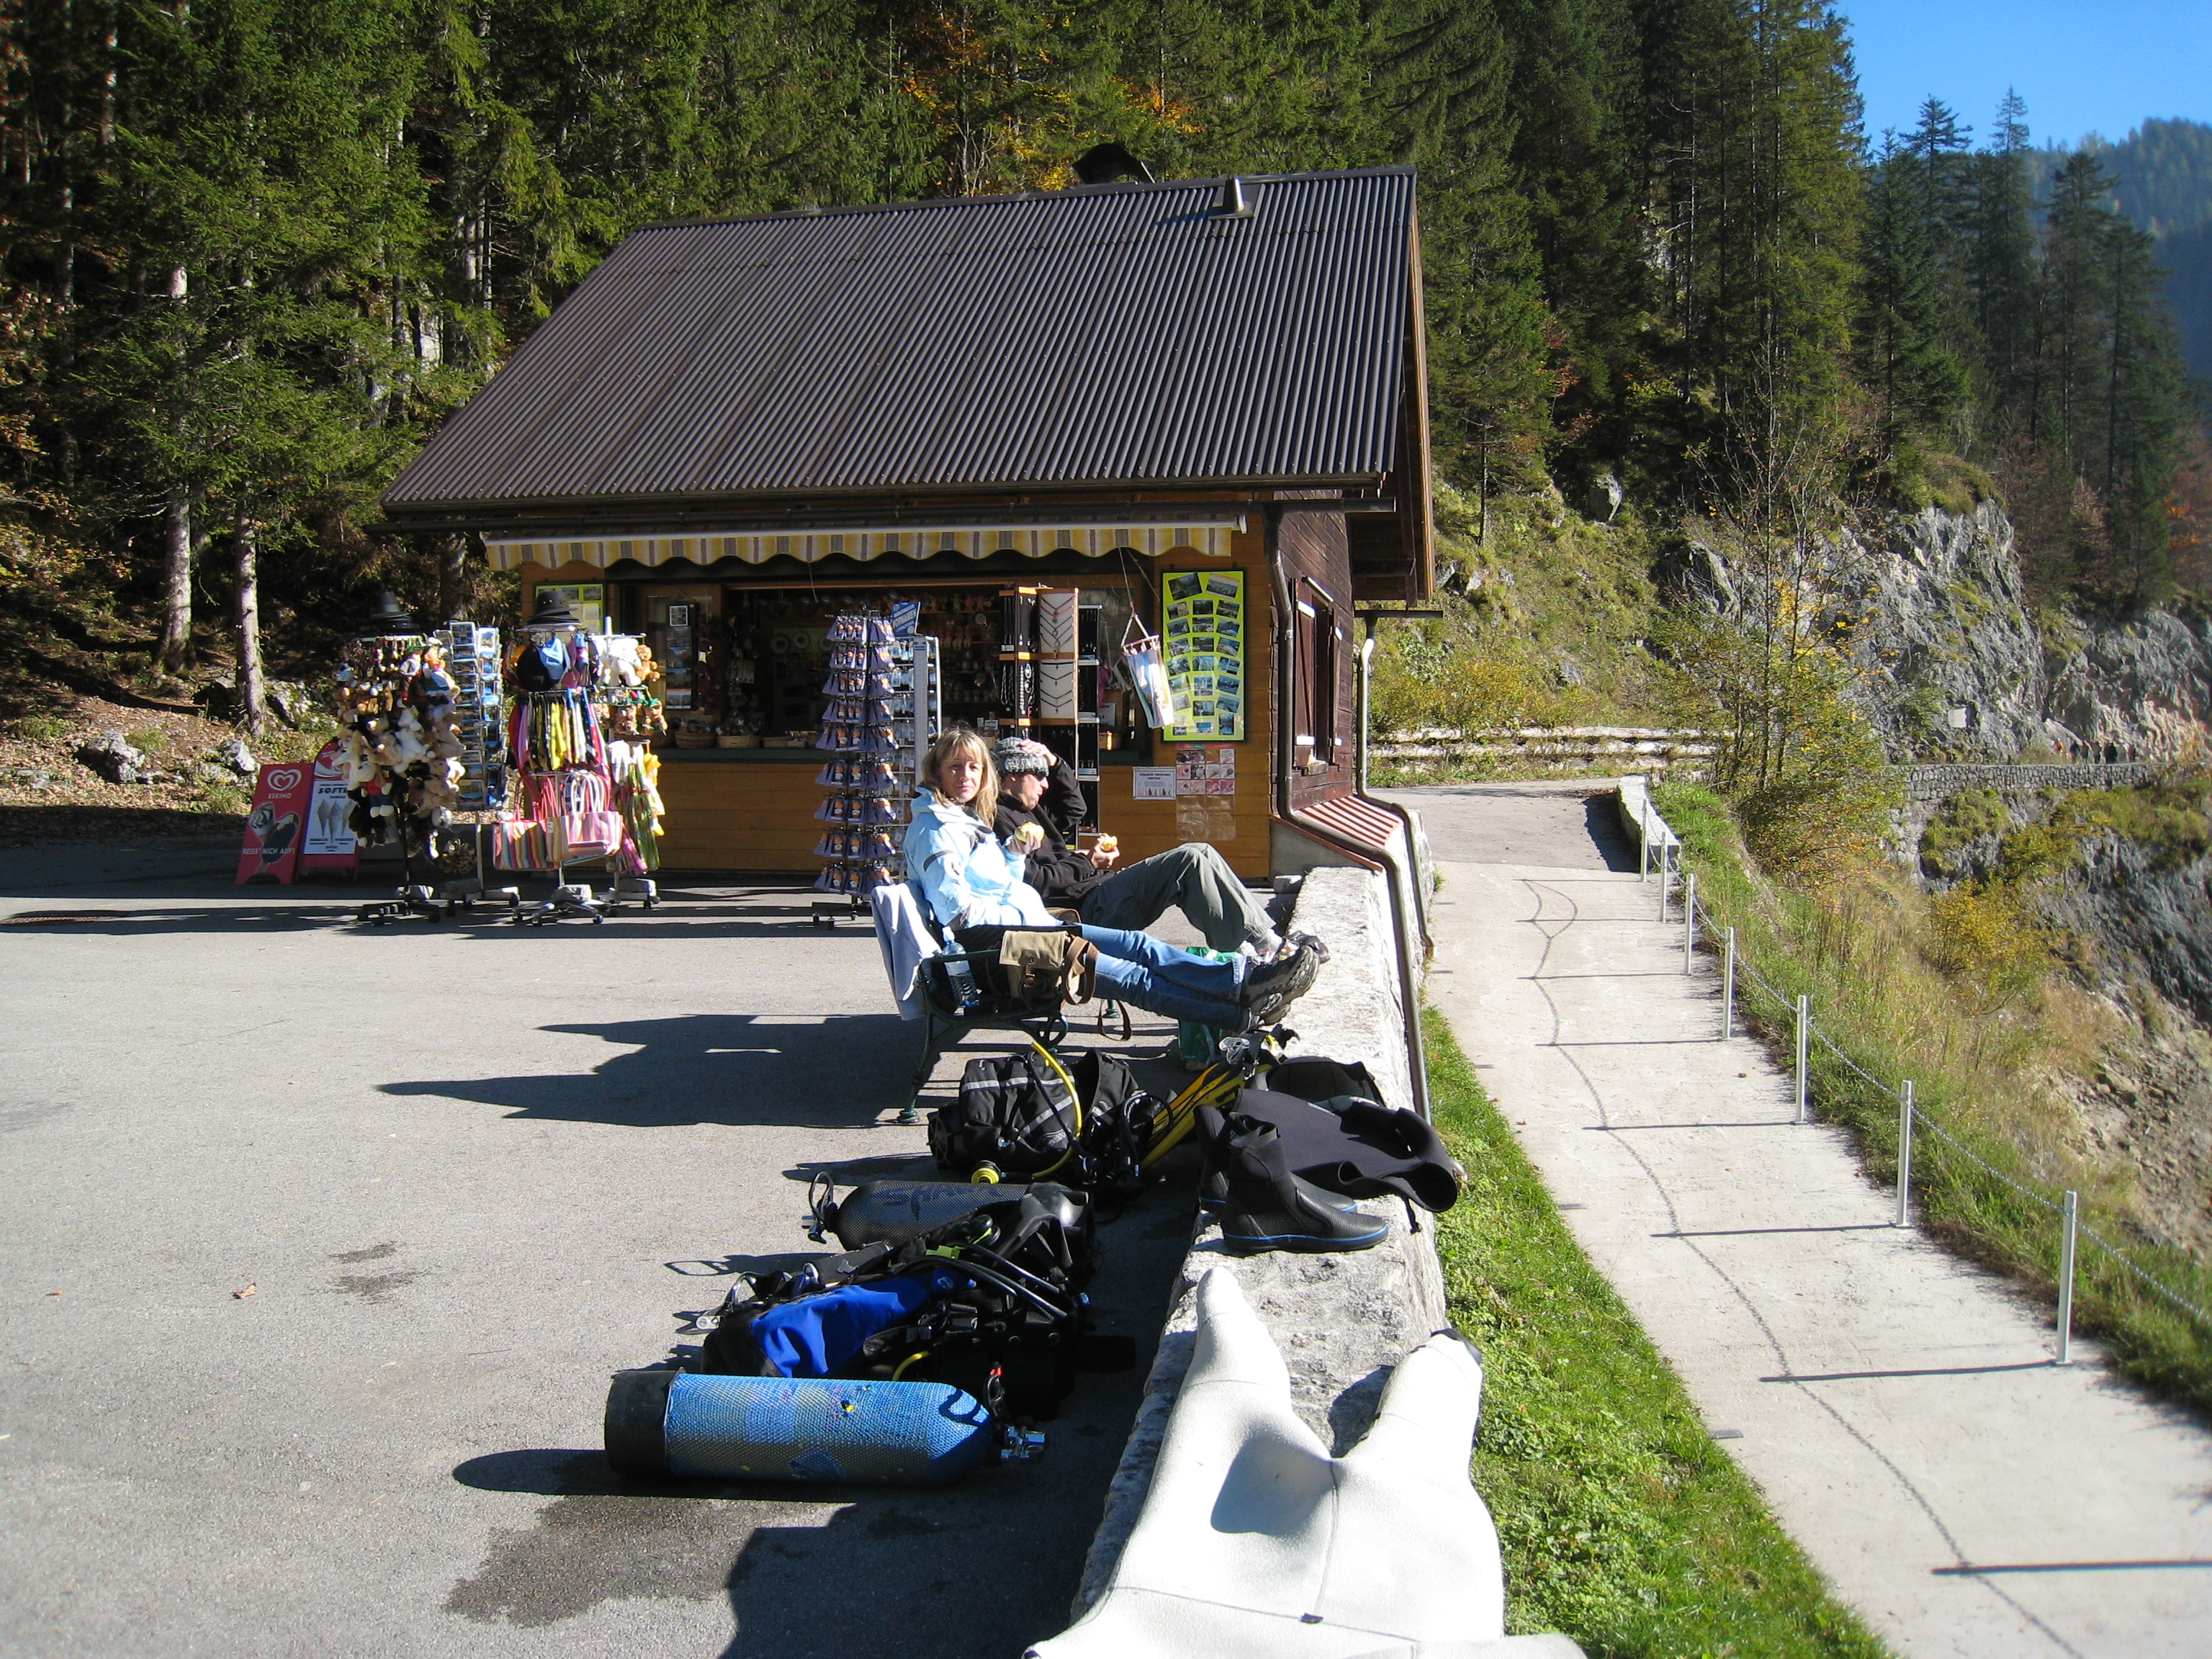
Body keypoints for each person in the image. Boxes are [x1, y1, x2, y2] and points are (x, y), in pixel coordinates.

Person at [903, 728, 1325, 1029]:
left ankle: (1246, 980)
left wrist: (1016, 849)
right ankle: (1245, 1009)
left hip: (1039, 922)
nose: (966, 776)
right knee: (1134, 974)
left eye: (973, 767)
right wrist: (1084, 865)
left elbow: (1062, 823)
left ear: (986, 774)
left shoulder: (969, 819)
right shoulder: (941, 828)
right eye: (955, 767)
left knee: (1144, 945)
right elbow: (960, 912)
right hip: (1010, 941)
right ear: (937, 772)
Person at [989, 736, 1285, 957]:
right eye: (1039, 776)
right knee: (1188, 860)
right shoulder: (998, 819)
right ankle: (1252, 948)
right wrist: (1088, 863)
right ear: (1014, 775)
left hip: (1099, 891)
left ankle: (1260, 939)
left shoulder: (1028, 808)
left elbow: (1075, 808)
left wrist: (1055, 763)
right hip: (1086, 911)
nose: (1046, 784)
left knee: (1202, 851)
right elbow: (1035, 881)